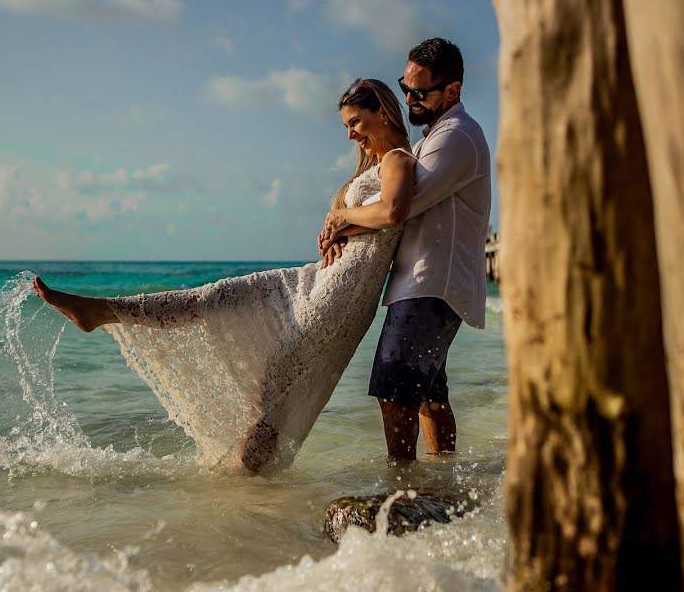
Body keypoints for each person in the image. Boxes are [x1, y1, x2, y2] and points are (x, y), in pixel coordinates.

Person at [33, 79, 416, 475]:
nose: (351, 134)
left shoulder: (398, 160)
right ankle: (104, 311)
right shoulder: (373, 166)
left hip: (336, 296)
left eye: (355, 122)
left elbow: (392, 213)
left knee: (273, 395)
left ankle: (243, 486)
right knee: (215, 299)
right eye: (346, 126)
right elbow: (366, 219)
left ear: (382, 113)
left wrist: (342, 218)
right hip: (314, 279)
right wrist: (333, 230)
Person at [321, 38, 492, 461]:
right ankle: (441, 485)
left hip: (429, 282)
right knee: (429, 397)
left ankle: (402, 491)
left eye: (421, 91)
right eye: (406, 88)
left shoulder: (456, 137)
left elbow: (397, 209)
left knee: (394, 390)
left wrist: (343, 220)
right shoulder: (434, 138)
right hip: (425, 282)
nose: (410, 99)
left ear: (451, 90)